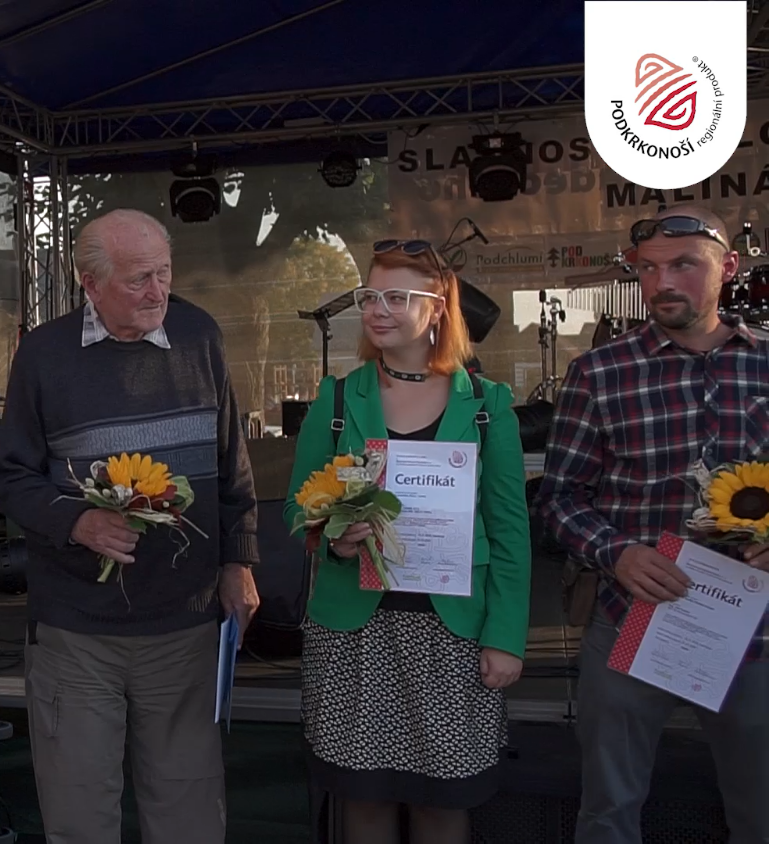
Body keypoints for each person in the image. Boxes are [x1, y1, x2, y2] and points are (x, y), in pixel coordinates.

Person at [0, 208, 261, 844]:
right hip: (77, 633)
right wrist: (77, 521)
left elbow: (233, 467)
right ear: (90, 283)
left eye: (164, 273)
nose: (157, 291)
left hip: (184, 623)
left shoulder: (200, 335)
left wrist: (239, 561)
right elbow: (11, 478)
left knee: (190, 820)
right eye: (139, 279)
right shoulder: (44, 354)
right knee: (80, 819)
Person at [535, 205, 769, 844]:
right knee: (608, 813)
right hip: (630, 618)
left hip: (753, 628)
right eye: (648, 269)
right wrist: (616, 553)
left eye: (684, 265)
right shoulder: (600, 372)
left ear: (729, 267)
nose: (662, 282)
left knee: (761, 811)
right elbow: (559, 497)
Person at [283, 240, 530, 844]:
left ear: (438, 307)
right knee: (363, 800)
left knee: (442, 804)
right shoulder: (336, 399)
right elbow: (298, 509)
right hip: (355, 634)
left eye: (396, 297)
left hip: (452, 635)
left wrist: (505, 637)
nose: (376, 310)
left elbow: (509, 530)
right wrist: (334, 537)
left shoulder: (489, 405)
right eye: (370, 296)